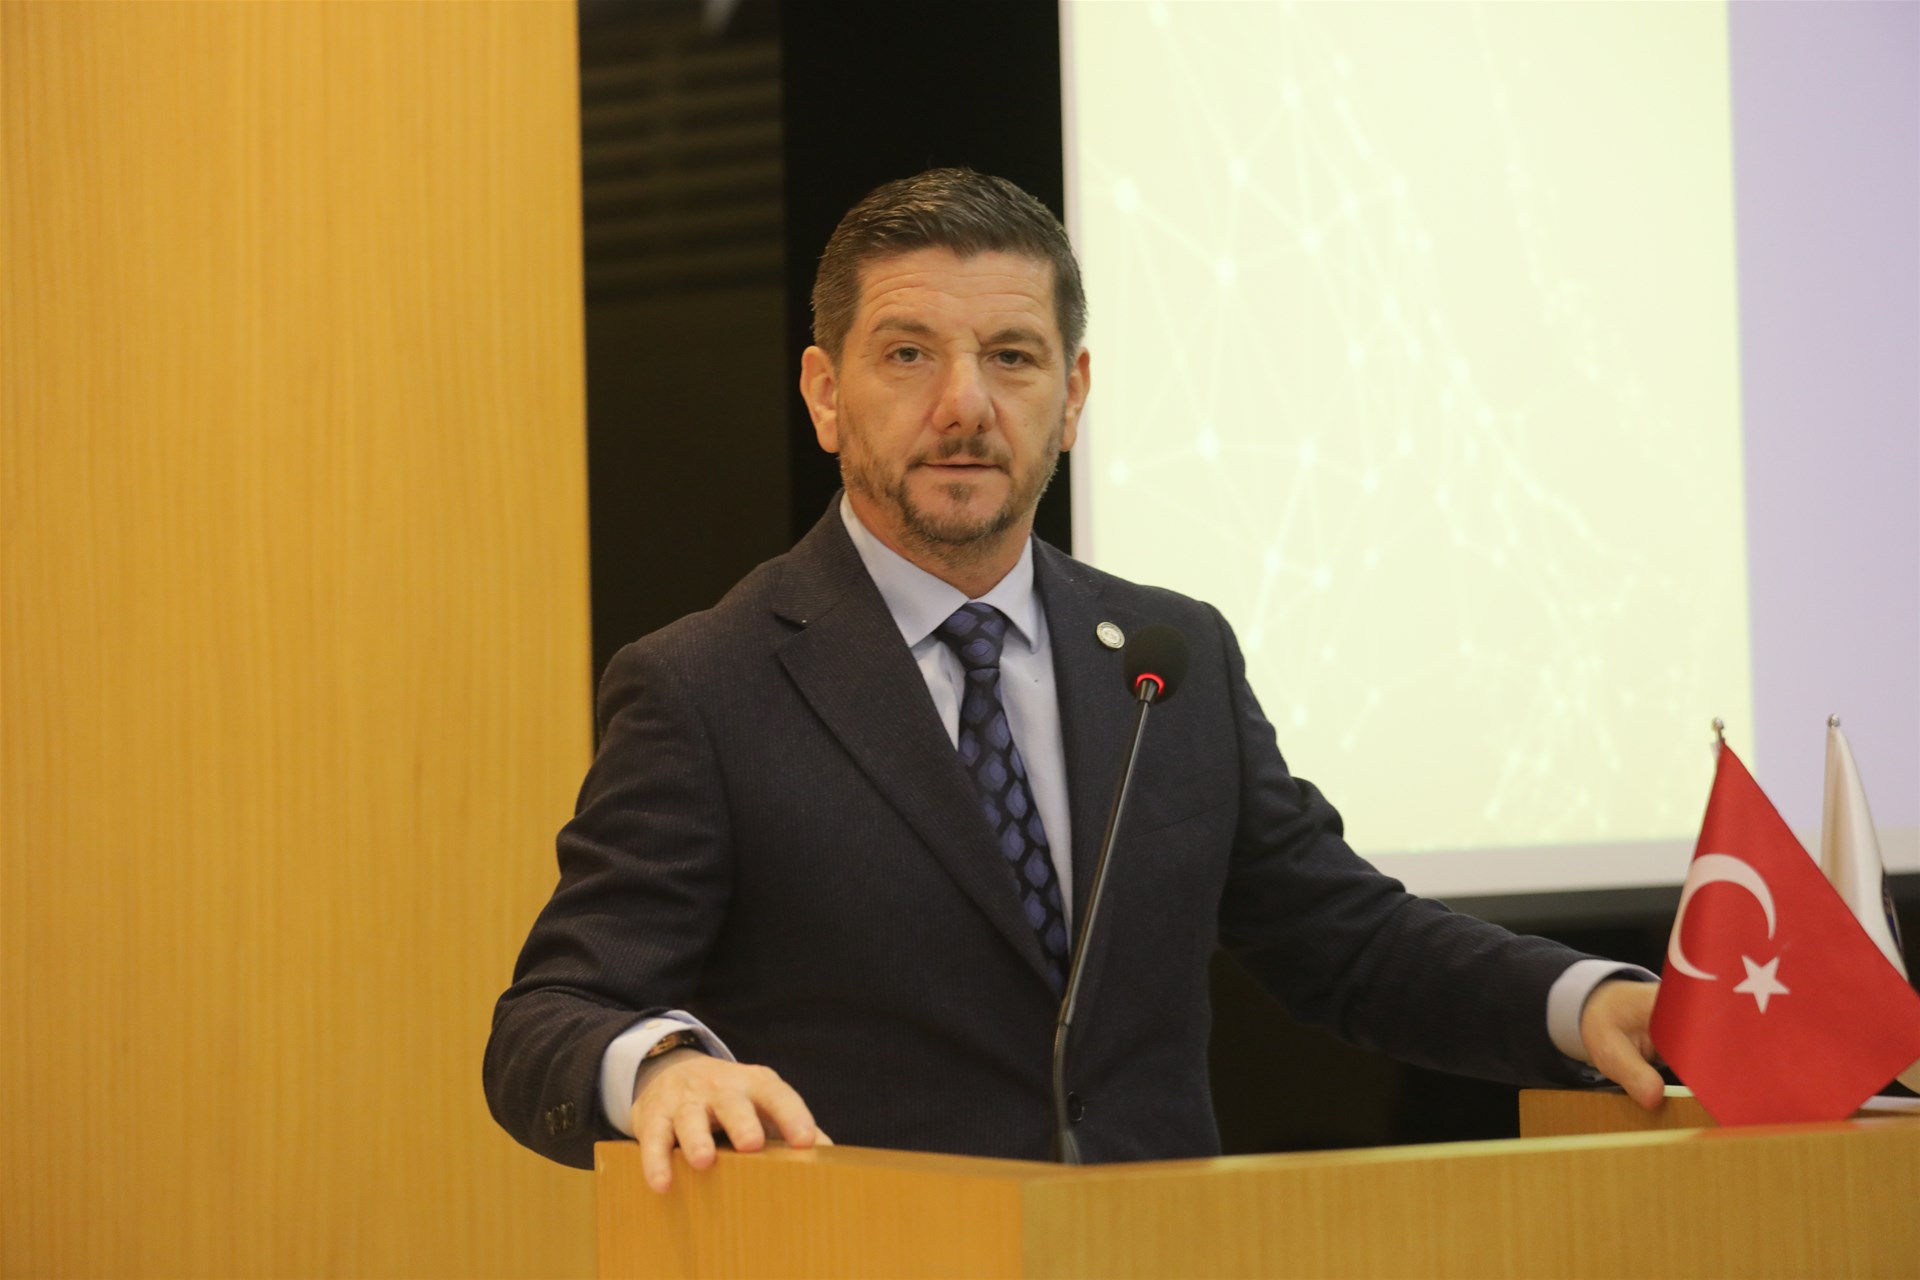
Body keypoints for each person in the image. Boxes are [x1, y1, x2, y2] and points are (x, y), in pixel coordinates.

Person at [484, 168, 1662, 1191]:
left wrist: (1585, 1001)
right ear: (825, 394)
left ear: (1074, 397)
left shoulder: (1171, 656)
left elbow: (1347, 938)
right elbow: (549, 1016)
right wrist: (662, 1066)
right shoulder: (707, 684)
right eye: (908, 354)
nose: (965, 405)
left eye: (1011, 357)